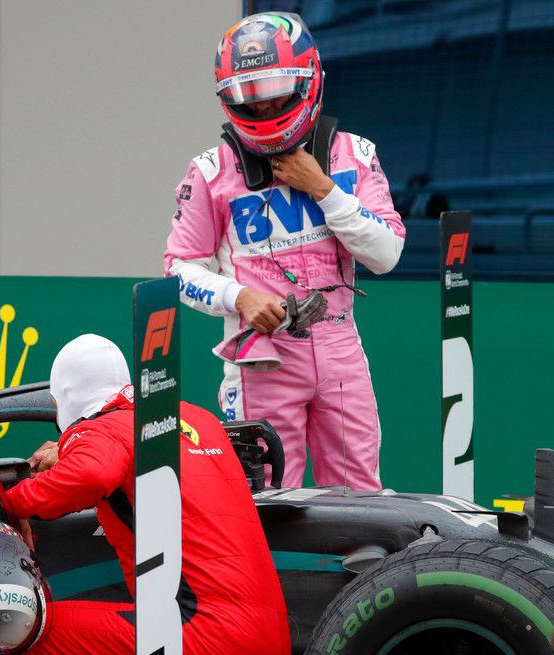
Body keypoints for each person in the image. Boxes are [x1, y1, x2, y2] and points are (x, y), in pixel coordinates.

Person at [164, 11, 405, 490]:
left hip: (340, 344)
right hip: (262, 353)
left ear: (308, 80)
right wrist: (239, 297)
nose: (265, 105)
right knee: (263, 495)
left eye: (276, 91)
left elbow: (386, 254)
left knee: (359, 493)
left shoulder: (355, 154)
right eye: (250, 96)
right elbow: (179, 269)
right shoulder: (210, 170)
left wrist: (323, 189)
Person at [0, 334, 289, 655]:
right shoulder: (198, 419)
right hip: (273, 646)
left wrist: (8, 502)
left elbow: (91, 474)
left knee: (5, 632)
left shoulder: (102, 430)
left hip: (202, 642)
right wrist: (70, 451)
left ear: (64, 398)